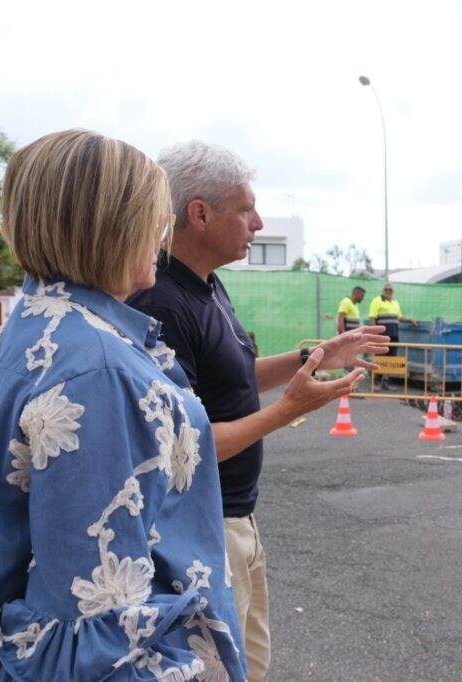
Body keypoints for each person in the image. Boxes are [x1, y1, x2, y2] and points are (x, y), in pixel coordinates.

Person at [0, 129, 246, 680]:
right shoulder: (98, 369)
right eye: (152, 217)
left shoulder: (37, 321)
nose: (162, 234)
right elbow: (96, 620)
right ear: (110, 225)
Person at [127, 140, 387, 682]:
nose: (258, 221)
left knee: (250, 666)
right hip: (200, 527)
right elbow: (181, 446)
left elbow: (233, 378)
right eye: (245, 208)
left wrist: (312, 356)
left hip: (238, 518)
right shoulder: (164, 303)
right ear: (200, 213)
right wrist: (290, 406)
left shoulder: (207, 286)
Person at [368, 282, 418, 355]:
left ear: (393, 292)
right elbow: (372, 318)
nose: (388, 291)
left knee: (392, 358)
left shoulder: (395, 302)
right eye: (386, 289)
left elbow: (400, 317)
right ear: (383, 290)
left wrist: (410, 320)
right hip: (382, 336)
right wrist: (375, 336)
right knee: (380, 358)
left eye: (390, 290)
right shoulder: (377, 300)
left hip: (394, 336)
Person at [337, 285, 366, 373]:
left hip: (353, 338)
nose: (363, 298)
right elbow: (341, 318)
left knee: (351, 358)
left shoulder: (355, 306)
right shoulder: (346, 302)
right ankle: (348, 381)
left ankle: (350, 382)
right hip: (348, 337)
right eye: (362, 296)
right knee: (347, 359)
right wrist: (343, 334)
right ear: (356, 293)